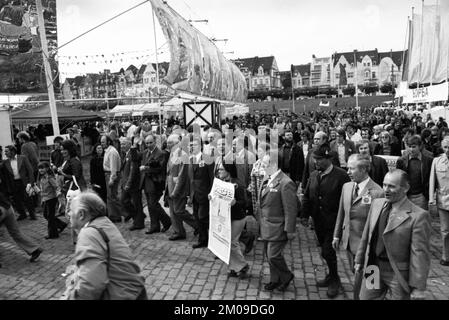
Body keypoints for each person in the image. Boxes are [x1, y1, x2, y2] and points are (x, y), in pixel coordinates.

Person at [355, 170, 431, 300]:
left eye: (391, 186)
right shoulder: (377, 204)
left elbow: (419, 253)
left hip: (397, 273)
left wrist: (419, 287)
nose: (386, 189)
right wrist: (359, 260)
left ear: (405, 188)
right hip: (373, 267)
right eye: (384, 185)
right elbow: (367, 234)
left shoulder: (418, 216)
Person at [62, 191, 147, 300]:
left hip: (123, 295)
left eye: (70, 210)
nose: (68, 214)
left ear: (81, 214)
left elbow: (91, 285)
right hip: (134, 291)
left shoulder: (88, 233)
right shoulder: (104, 223)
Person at [301, 143, 351, 298]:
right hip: (318, 221)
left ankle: (335, 279)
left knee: (327, 251)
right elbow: (308, 196)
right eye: (315, 159)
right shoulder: (314, 175)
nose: (316, 162)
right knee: (325, 251)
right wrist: (304, 214)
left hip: (334, 222)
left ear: (328, 159)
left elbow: (347, 200)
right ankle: (331, 274)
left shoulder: (341, 176)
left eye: (319, 159)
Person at [332, 154, 384, 299]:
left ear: (364, 170)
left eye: (351, 168)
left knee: (368, 284)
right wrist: (337, 235)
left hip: (368, 249)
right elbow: (341, 213)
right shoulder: (347, 187)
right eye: (348, 168)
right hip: (349, 243)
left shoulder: (378, 192)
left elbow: (379, 226)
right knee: (356, 276)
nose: (347, 171)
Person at [259, 153, 297, 292]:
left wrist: (290, 230)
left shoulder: (286, 183)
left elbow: (290, 209)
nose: (262, 166)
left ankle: (286, 276)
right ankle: (274, 279)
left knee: (273, 255)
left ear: (273, 165)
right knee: (269, 255)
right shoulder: (267, 178)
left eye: (264, 164)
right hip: (266, 225)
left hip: (278, 226)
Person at [213, 162, 249, 279]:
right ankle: (233, 267)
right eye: (218, 169)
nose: (219, 171)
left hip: (238, 217)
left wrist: (235, 203)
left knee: (232, 242)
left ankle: (242, 266)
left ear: (228, 171)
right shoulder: (220, 182)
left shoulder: (237, 184)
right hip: (226, 218)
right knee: (227, 243)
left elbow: (244, 203)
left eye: (221, 170)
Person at [165, 134, 197, 240]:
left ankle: (199, 225)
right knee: (173, 212)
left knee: (179, 211)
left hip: (178, 189)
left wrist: (175, 191)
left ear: (177, 143)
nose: (168, 145)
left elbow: (182, 176)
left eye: (171, 143)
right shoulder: (172, 154)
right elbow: (169, 172)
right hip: (170, 187)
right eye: (168, 143)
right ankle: (178, 231)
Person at [140, 134, 171, 234]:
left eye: (150, 142)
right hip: (146, 182)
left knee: (153, 204)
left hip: (156, 182)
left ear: (155, 141)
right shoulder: (145, 152)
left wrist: (146, 168)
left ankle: (167, 221)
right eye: (147, 143)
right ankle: (155, 225)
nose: (149, 145)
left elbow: (160, 168)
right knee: (150, 205)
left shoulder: (160, 153)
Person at [188, 136, 214, 248]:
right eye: (190, 145)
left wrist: (211, 192)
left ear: (200, 146)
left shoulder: (207, 159)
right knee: (198, 218)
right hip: (195, 195)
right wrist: (190, 195)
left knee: (204, 217)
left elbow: (212, 178)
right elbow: (191, 179)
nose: (191, 147)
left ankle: (243, 236)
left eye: (194, 145)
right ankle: (203, 239)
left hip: (205, 194)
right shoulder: (191, 159)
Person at [397, 135, 433, 210]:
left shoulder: (428, 161)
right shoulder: (401, 161)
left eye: (414, 147)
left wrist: (428, 194)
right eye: (409, 146)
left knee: (421, 219)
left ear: (420, 146)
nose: (411, 149)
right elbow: (398, 178)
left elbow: (431, 178)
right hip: (406, 196)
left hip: (421, 196)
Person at [429, 137, 449, 266]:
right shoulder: (437, 161)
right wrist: (431, 199)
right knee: (445, 230)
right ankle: (445, 256)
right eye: (446, 147)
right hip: (444, 200)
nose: (448, 150)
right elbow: (432, 181)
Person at [3, 145, 36, 220]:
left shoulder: (23, 158)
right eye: (5, 151)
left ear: (12, 151)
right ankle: (22, 214)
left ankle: (32, 214)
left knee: (28, 198)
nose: (5, 153)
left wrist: (31, 182)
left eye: (6, 151)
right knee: (16, 200)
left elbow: (30, 170)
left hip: (24, 182)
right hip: (13, 183)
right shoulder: (6, 162)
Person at [37, 162, 67, 239]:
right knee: (46, 215)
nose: (40, 170)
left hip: (51, 199)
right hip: (45, 199)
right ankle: (61, 224)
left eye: (42, 168)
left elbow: (56, 186)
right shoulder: (41, 177)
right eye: (39, 168)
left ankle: (53, 234)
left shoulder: (49, 178)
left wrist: (59, 193)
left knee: (50, 217)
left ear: (47, 169)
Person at [120, 137, 144, 231]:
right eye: (121, 144)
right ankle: (138, 217)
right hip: (126, 182)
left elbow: (133, 170)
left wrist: (128, 183)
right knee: (124, 201)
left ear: (130, 144)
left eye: (124, 144)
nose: (122, 146)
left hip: (133, 184)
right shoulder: (126, 154)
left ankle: (139, 222)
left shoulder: (133, 153)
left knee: (136, 203)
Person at [101, 135, 123, 223]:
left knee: (112, 196)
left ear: (108, 142)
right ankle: (114, 214)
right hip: (108, 174)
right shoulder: (108, 150)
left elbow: (113, 167)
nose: (101, 144)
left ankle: (116, 215)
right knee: (111, 196)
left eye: (103, 142)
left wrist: (112, 179)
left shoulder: (112, 152)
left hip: (111, 174)